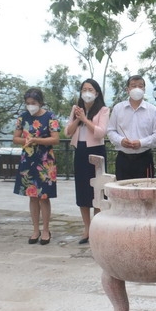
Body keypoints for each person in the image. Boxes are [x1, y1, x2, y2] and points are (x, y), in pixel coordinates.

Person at [13, 88, 60, 245]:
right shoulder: (23, 117)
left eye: (33, 103)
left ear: (40, 102)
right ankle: (35, 229)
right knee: (32, 196)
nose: (30, 106)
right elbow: (16, 138)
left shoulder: (50, 116)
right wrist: (26, 141)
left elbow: (55, 139)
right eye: (27, 103)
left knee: (44, 197)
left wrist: (36, 140)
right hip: (28, 159)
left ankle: (46, 229)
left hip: (45, 161)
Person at [64, 79, 109, 244]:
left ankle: (97, 228)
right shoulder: (76, 109)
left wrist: (85, 118)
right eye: (84, 89)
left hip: (96, 151)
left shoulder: (103, 110)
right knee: (82, 190)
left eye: (90, 89)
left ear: (96, 93)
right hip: (80, 150)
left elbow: (100, 132)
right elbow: (67, 132)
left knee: (96, 190)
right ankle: (86, 229)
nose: (87, 92)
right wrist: (78, 118)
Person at [107, 75, 156, 180]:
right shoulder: (118, 109)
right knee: (122, 193)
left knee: (145, 193)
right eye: (133, 86)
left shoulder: (153, 110)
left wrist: (141, 143)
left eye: (140, 86)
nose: (137, 88)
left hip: (144, 158)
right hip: (123, 158)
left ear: (144, 89)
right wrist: (121, 140)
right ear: (127, 89)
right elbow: (110, 130)